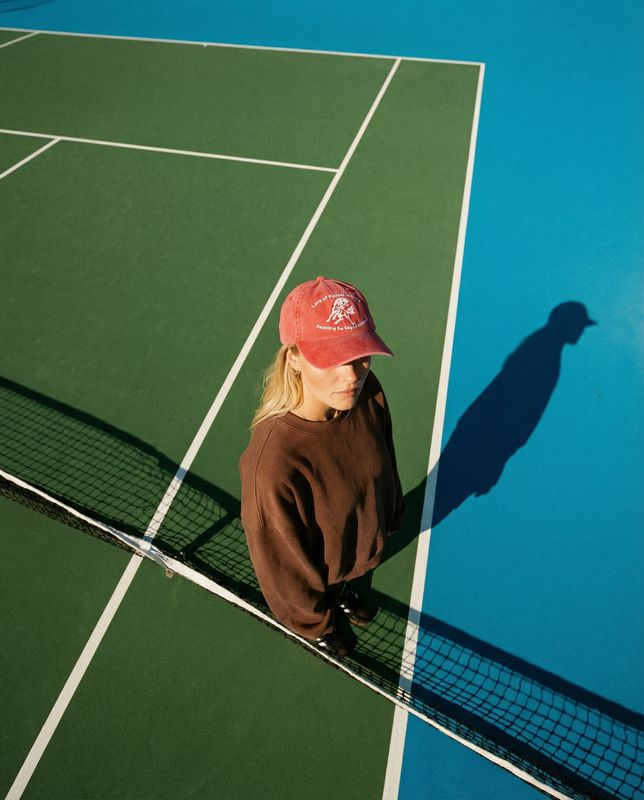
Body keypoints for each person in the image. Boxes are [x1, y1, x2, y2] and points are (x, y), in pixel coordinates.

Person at [239, 276, 404, 657]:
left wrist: (391, 514)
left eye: (360, 355)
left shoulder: (365, 391)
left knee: (340, 574)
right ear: (293, 357)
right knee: (316, 586)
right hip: (318, 569)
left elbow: (385, 454)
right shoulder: (272, 464)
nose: (351, 376)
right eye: (331, 359)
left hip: (356, 552)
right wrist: (312, 621)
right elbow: (284, 568)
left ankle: (342, 585)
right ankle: (324, 620)